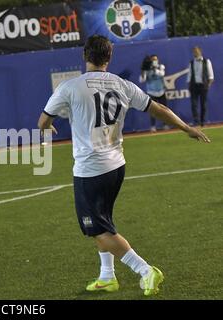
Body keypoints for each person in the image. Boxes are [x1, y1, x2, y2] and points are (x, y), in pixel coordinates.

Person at [37, 35, 210, 296]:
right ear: (110, 56)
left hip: (90, 170)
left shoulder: (70, 87)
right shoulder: (122, 85)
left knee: (96, 229)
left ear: (85, 55)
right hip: (117, 166)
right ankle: (107, 276)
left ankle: (145, 270)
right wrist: (186, 127)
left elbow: (42, 122)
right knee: (104, 222)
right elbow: (158, 108)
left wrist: (47, 128)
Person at [140, 55, 169, 132]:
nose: (155, 61)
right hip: (151, 92)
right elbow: (142, 80)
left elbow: (162, 74)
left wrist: (154, 68)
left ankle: (165, 124)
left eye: (156, 59)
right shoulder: (147, 69)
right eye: (153, 60)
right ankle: (153, 126)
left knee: (164, 110)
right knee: (153, 110)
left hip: (161, 91)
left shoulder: (161, 66)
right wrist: (143, 70)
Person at [187, 46, 214, 127]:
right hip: (194, 86)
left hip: (203, 86)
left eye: (197, 51)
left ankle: (203, 122)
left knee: (203, 104)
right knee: (194, 105)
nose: (195, 53)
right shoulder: (191, 62)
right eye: (194, 51)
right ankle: (197, 122)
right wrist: (189, 85)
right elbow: (189, 75)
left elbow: (211, 75)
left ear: (200, 51)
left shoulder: (207, 61)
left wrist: (208, 85)